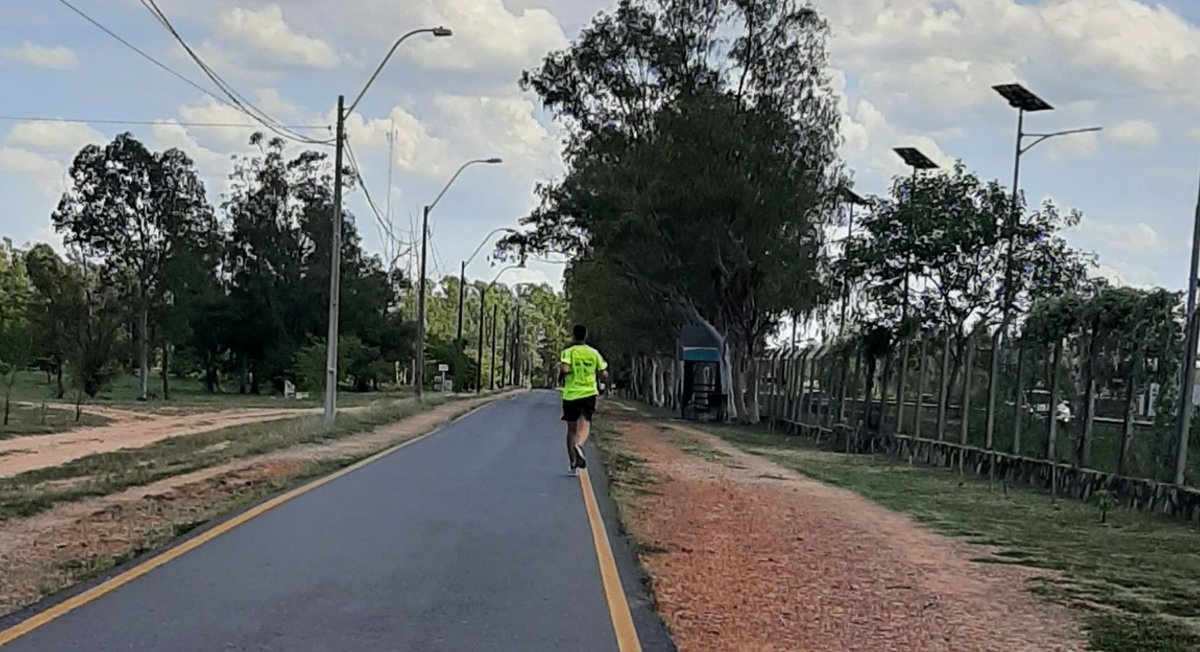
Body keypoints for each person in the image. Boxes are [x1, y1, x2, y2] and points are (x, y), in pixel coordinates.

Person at [559, 324, 607, 474]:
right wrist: (604, 383)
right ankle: (579, 445)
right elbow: (603, 373)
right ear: (585, 336)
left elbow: (565, 369)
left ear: (573, 336)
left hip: (571, 394)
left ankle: (573, 462)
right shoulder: (594, 353)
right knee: (585, 424)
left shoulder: (568, 352)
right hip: (588, 393)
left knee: (571, 429)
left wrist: (561, 377)